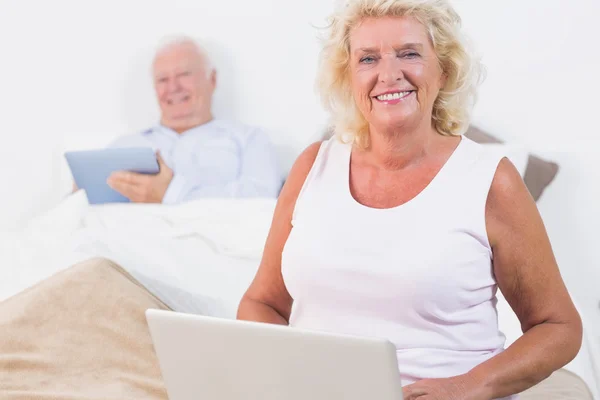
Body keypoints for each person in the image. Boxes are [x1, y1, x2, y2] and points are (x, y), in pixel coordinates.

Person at [236, 0, 583, 399]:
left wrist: (469, 386)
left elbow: (559, 328)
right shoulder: (313, 165)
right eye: (368, 58)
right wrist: (292, 374)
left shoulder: (490, 179)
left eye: (409, 53)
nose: (389, 74)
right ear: (348, 77)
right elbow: (261, 304)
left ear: (444, 70)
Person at [95, 36, 283, 203]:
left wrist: (172, 194)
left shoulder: (250, 140)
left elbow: (261, 201)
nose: (173, 87)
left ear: (213, 79)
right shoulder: (124, 146)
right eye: (162, 79)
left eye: (184, 74)